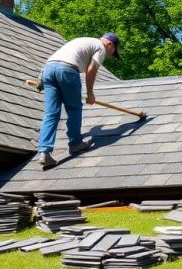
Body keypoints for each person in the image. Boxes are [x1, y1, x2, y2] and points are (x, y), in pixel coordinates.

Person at [36, 33, 120, 168]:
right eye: (113, 52)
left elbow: (54, 58)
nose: (110, 55)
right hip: (67, 71)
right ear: (110, 44)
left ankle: (44, 151)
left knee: (51, 113)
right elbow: (92, 69)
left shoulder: (81, 40)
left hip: (48, 70)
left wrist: (41, 79)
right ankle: (75, 144)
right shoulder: (100, 47)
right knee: (74, 108)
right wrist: (90, 93)